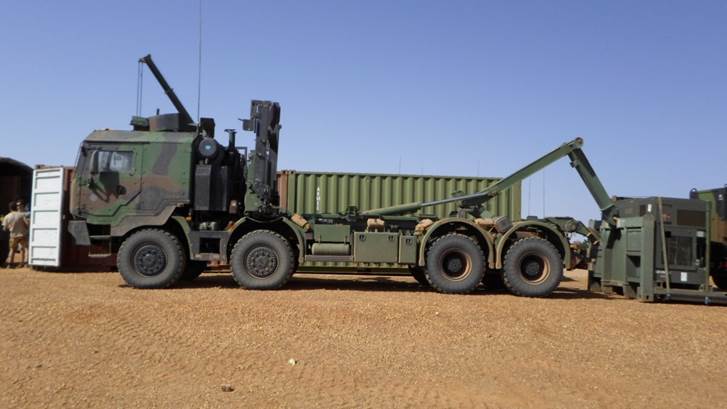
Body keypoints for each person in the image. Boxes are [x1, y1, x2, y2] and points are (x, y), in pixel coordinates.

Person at [2, 200, 29, 268]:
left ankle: (10, 264)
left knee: (12, 250)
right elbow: (27, 224)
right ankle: (26, 263)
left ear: (10, 208)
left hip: (13, 235)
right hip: (23, 235)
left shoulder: (7, 216)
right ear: (16, 207)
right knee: (26, 249)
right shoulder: (22, 215)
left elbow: (4, 228)